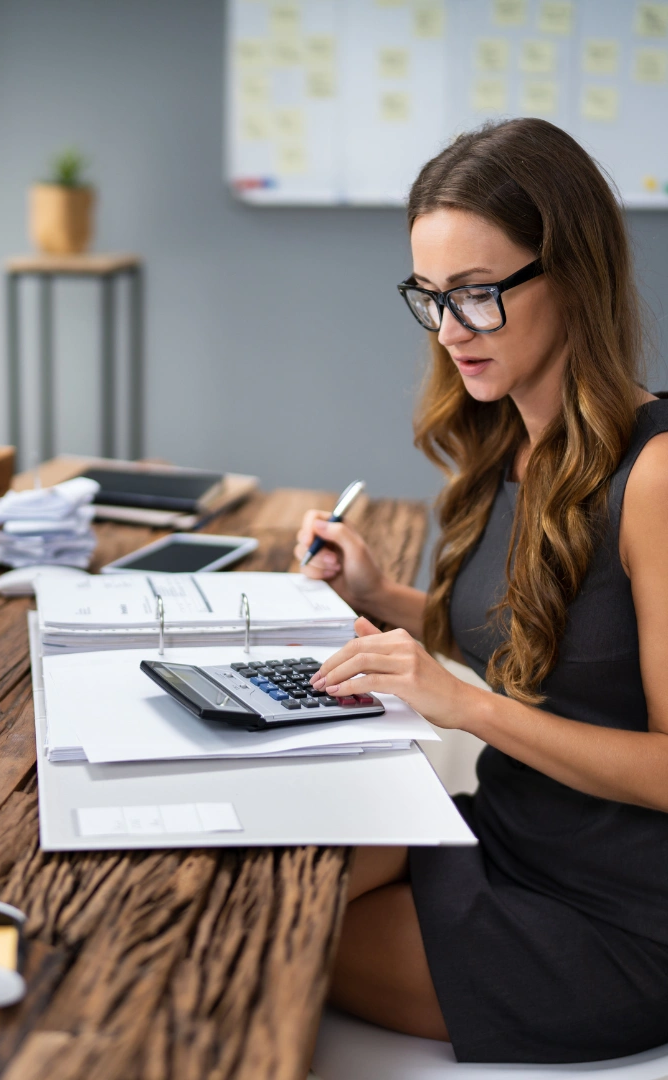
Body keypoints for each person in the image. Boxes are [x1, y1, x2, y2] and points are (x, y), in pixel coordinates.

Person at [294, 117, 668, 1065]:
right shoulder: (512, 439)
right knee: (262, 879)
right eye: (431, 297)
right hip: (503, 832)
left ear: (574, 272)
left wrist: (463, 707)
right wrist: (388, 599)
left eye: (479, 294)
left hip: (616, 920)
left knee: (272, 942)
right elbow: (560, 651)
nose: (453, 330)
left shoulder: (655, 476)